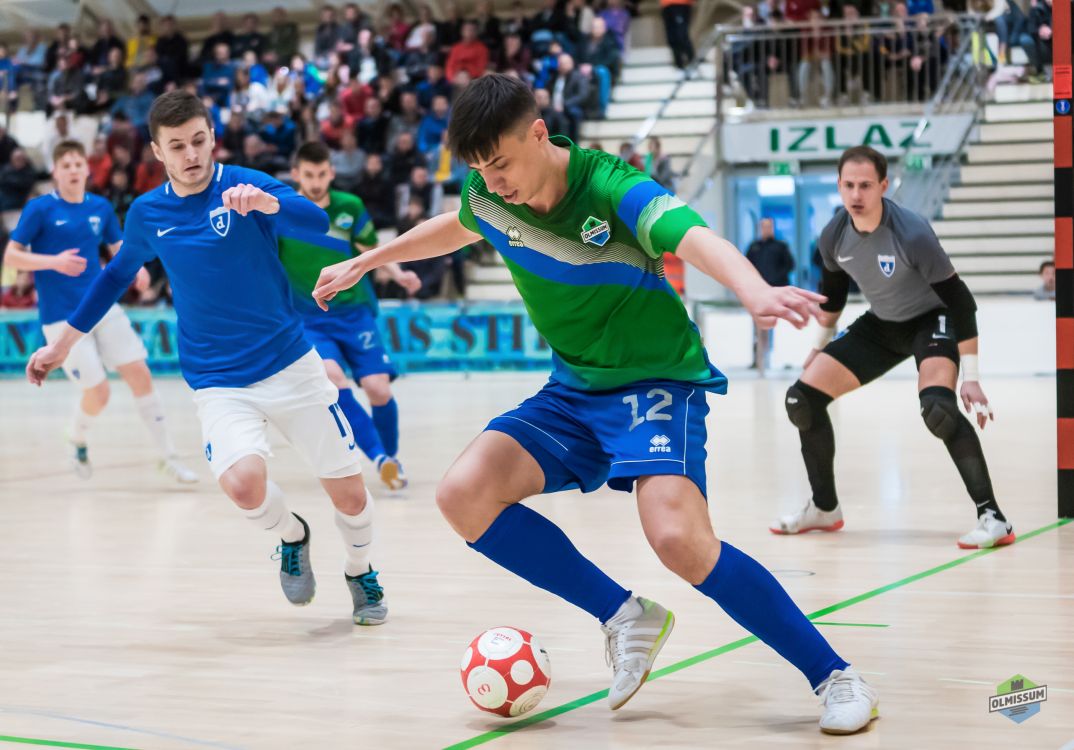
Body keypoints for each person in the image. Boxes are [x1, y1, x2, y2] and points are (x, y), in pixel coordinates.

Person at [312, 74, 880, 735]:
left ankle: (836, 676)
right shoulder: (487, 194)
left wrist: (752, 289)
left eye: (500, 164)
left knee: (678, 540)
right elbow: (459, 227)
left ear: (537, 133)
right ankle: (624, 615)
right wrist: (369, 260)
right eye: (478, 170)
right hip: (574, 388)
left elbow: (692, 236)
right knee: (462, 494)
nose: (492, 183)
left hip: (656, 383)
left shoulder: (611, 186)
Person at [25, 92, 388, 626]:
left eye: (199, 140)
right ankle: (293, 535)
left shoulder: (245, 184)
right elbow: (114, 277)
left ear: (213, 138)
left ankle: (360, 569)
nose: (191, 153)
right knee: (243, 485)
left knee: (351, 496)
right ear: (157, 151)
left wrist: (269, 205)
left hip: (290, 363)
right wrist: (62, 344)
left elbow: (315, 221)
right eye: (177, 146)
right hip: (218, 380)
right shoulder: (147, 213)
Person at [773, 146, 1014, 550]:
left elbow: (961, 302)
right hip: (882, 325)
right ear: (839, 186)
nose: (856, 194)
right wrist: (818, 348)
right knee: (802, 399)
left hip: (931, 320)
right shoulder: (833, 235)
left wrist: (971, 377)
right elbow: (834, 297)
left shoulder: (912, 234)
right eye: (849, 185)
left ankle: (994, 518)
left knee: (938, 409)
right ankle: (825, 508)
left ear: (883, 186)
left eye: (866, 185)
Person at [5, 140, 195, 482]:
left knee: (140, 374)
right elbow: (11, 256)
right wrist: (53, 262)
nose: (73, 170)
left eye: (78, 164)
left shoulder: (100, 207)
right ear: (55, 172)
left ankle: (169, 457)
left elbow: (119, 247)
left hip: (102, 307)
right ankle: (76, 437)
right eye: (66, 165)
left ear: (87, 170)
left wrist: (136, 268)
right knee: (99, 393)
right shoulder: (39, 209)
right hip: (61, 318)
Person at [280, 142, 419, 489]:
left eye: (321, 174)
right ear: (296, 174)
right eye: (308, 175)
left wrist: (399, 274)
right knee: (332, 377)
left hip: (355, 313)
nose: (316, 182)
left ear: (331, 172)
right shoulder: (282, 212)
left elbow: (371, 251)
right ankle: (380, 458)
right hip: (309, 317)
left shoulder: (350, 207)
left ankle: (391, 460)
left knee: (378, 389)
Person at [746, 218, 795, 370]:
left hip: (776, 292)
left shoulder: (781, 246)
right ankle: (759, 360)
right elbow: (746, 266)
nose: (766, 229)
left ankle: (774, 358)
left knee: (774, 325)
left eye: (769, 226)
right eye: (763, 226)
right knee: (758, 326)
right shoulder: (754, 247)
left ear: (773, 227)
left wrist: (775, 281)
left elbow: (790, 265)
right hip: (758, 294)